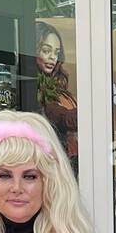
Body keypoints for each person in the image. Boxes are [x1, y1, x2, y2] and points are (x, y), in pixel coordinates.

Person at [35, 22, 78, 166]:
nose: (53, 57)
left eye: (56, 52)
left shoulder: (57, 86)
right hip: (51, 163)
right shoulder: (35, 89)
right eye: (46, 50)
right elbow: (59, 116)